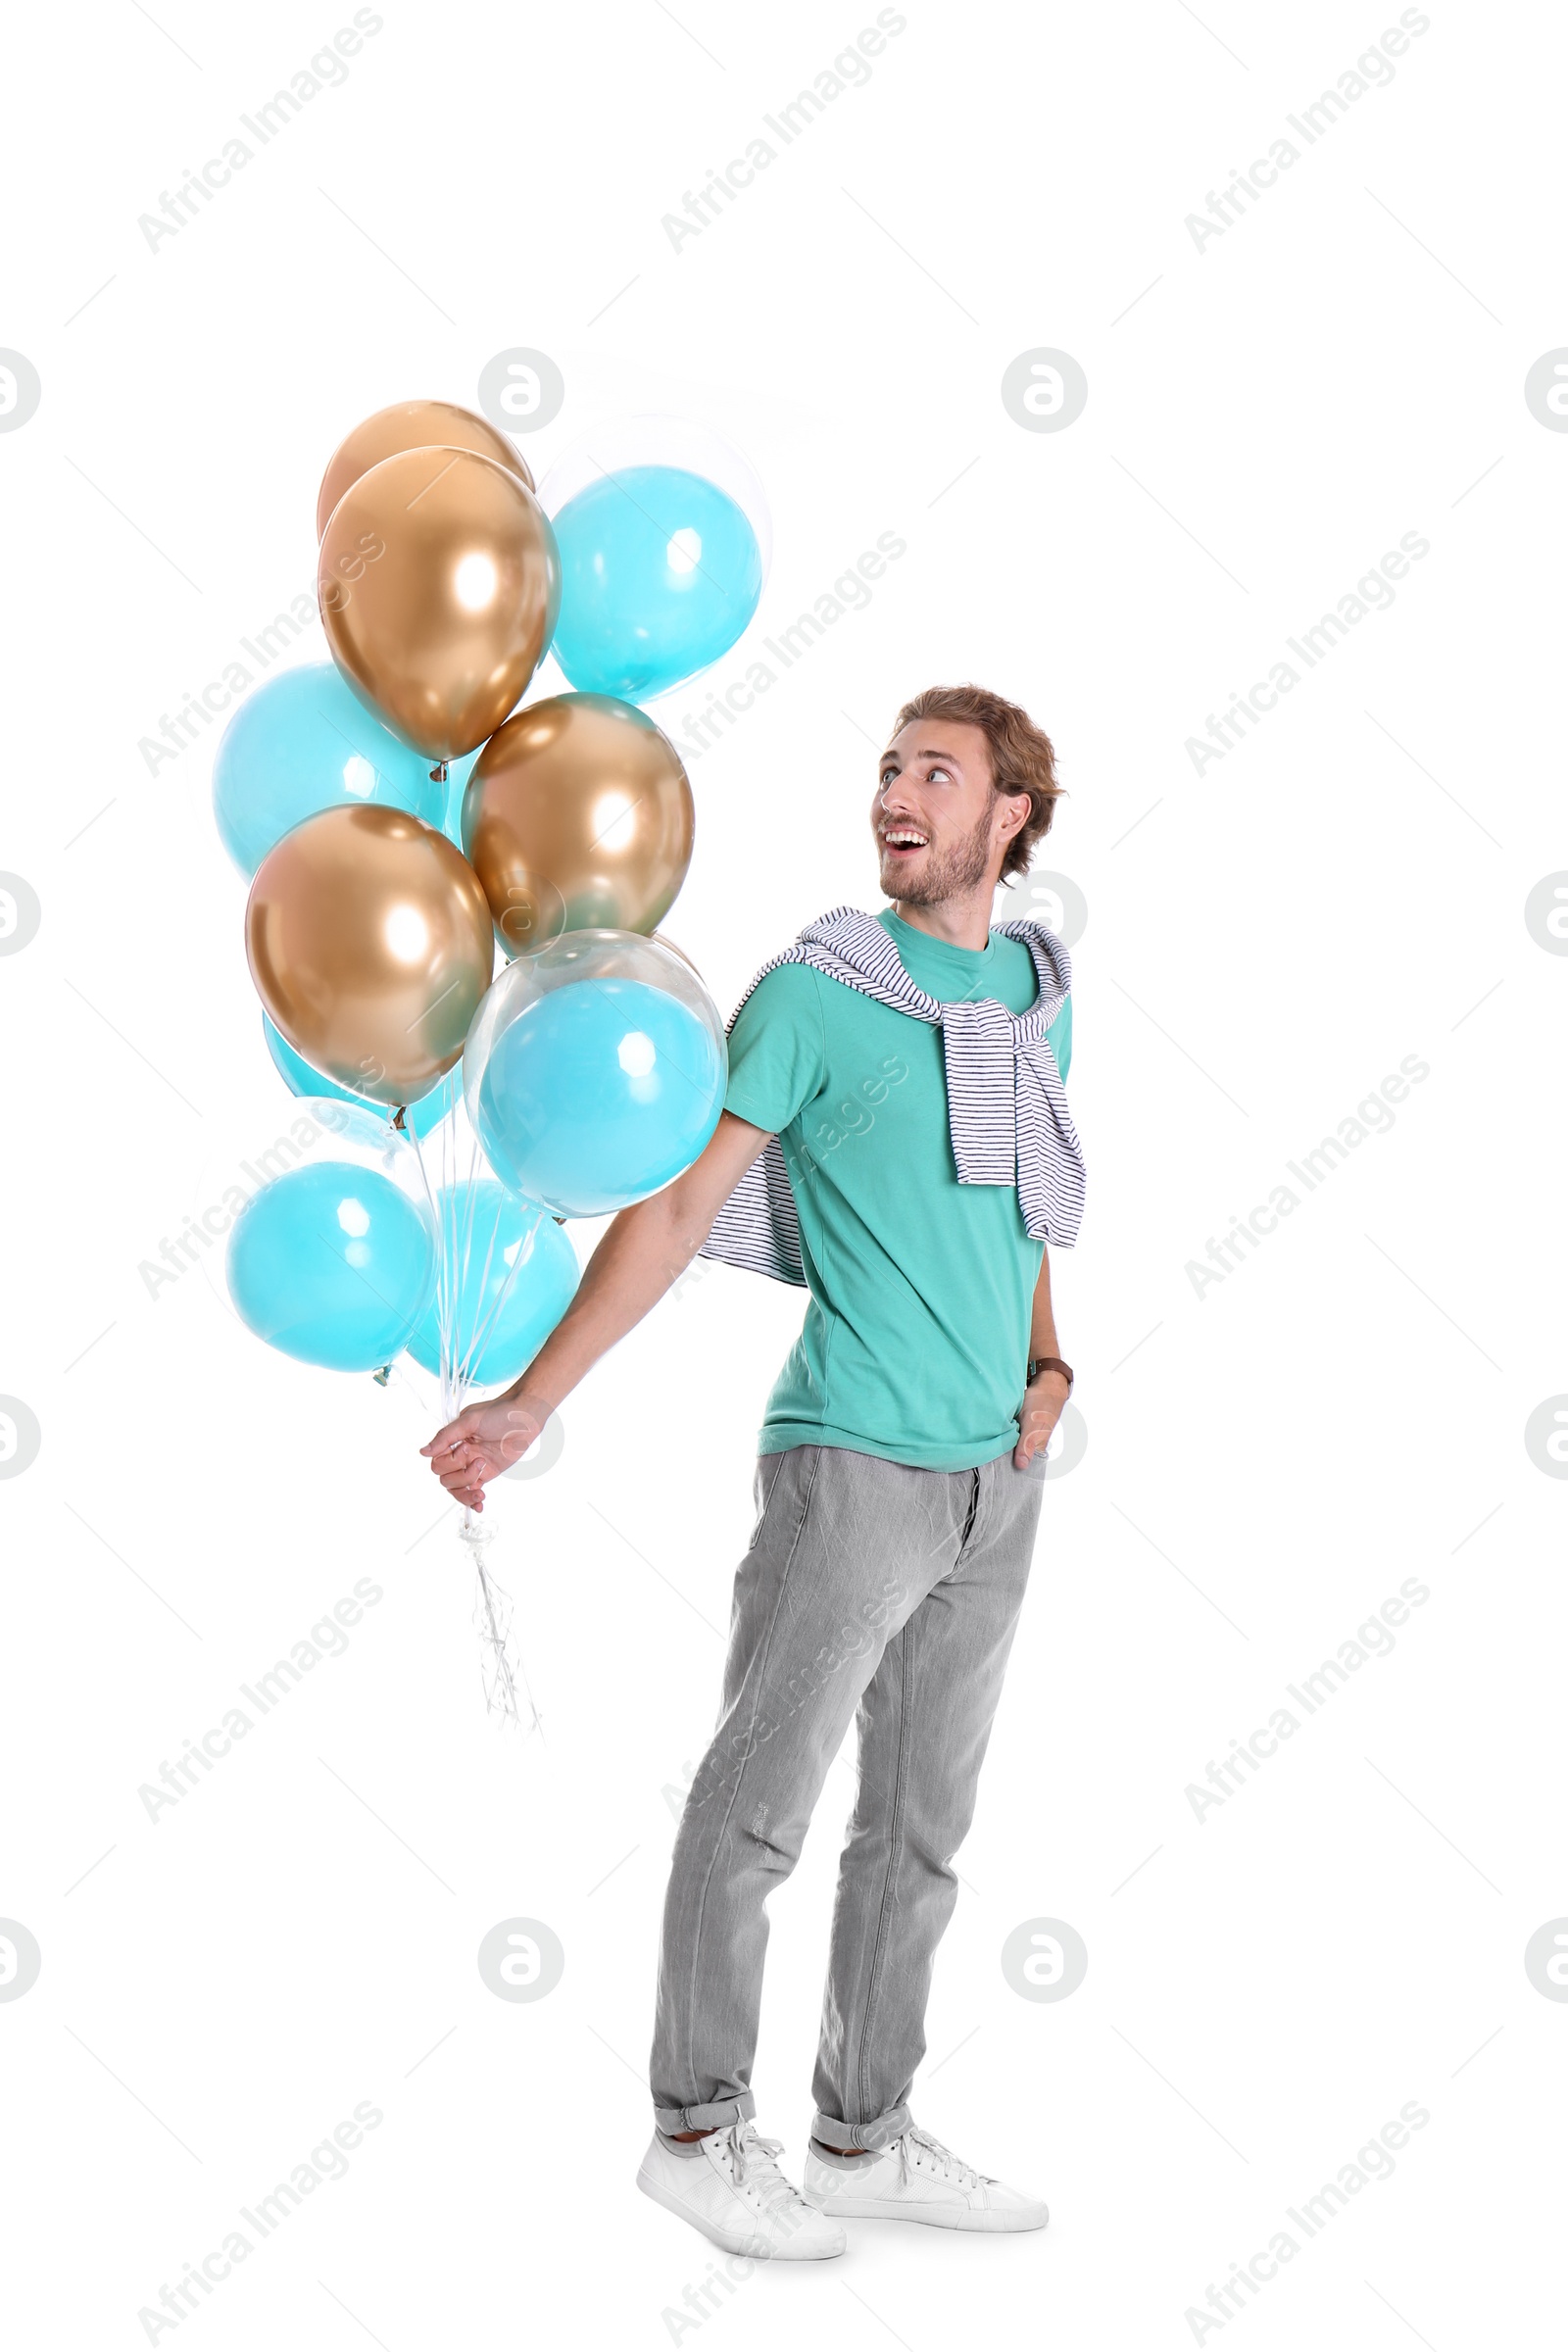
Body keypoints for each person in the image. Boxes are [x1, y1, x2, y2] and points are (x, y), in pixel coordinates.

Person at [423, 683, 1086, 2262]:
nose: (896, 792)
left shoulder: (1027, 996)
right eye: (886, 768)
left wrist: (1050, 1362)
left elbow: (1020, 1205)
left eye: (937, 770)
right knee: (757, 1812)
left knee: (919, 1832)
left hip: (998, 1475)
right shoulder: (812, 996)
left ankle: (862, 2133)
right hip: (851, 1466)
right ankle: (698, 2132)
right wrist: (528, 1401)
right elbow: (667, 1218)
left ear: (1012, 817)